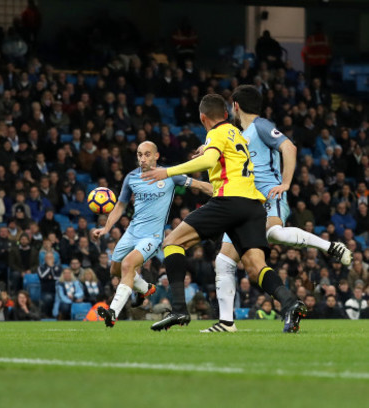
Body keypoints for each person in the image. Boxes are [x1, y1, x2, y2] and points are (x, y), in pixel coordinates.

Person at [142, 93, 307, 333]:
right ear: (227, 114)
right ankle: (291, 303)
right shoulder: (236, 133)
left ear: (202, 118)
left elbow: (209, 161)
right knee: (254, 265)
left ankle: (178, 309)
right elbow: (222, 156)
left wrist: (167, 172)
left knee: (172, 242)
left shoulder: (216, 133)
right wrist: (208, 149)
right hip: (253, 206)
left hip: (229, 200)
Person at [202, 86, 351, 333]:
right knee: (224, 260)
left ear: (236, 106)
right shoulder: (239, 134)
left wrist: (285, 183)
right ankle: (227, 322)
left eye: (232, 106)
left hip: (270, 194)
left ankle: (330, 247)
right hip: (245, 201)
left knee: (274, 234)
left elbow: (289, 147)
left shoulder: (261, 126)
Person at [93, 141, 212, 327]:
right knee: (114, 270)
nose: (142, 159)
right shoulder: (131, 177)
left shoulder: (170, 175)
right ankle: (145, 288)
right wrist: (106, 228)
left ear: (156, 156)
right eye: (140, 154)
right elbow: (121, 206)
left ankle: (112, 312)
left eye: (147, 154)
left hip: (152, 236)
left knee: (128, 265)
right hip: (132, 231)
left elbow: (200, 185)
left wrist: (222, 192)